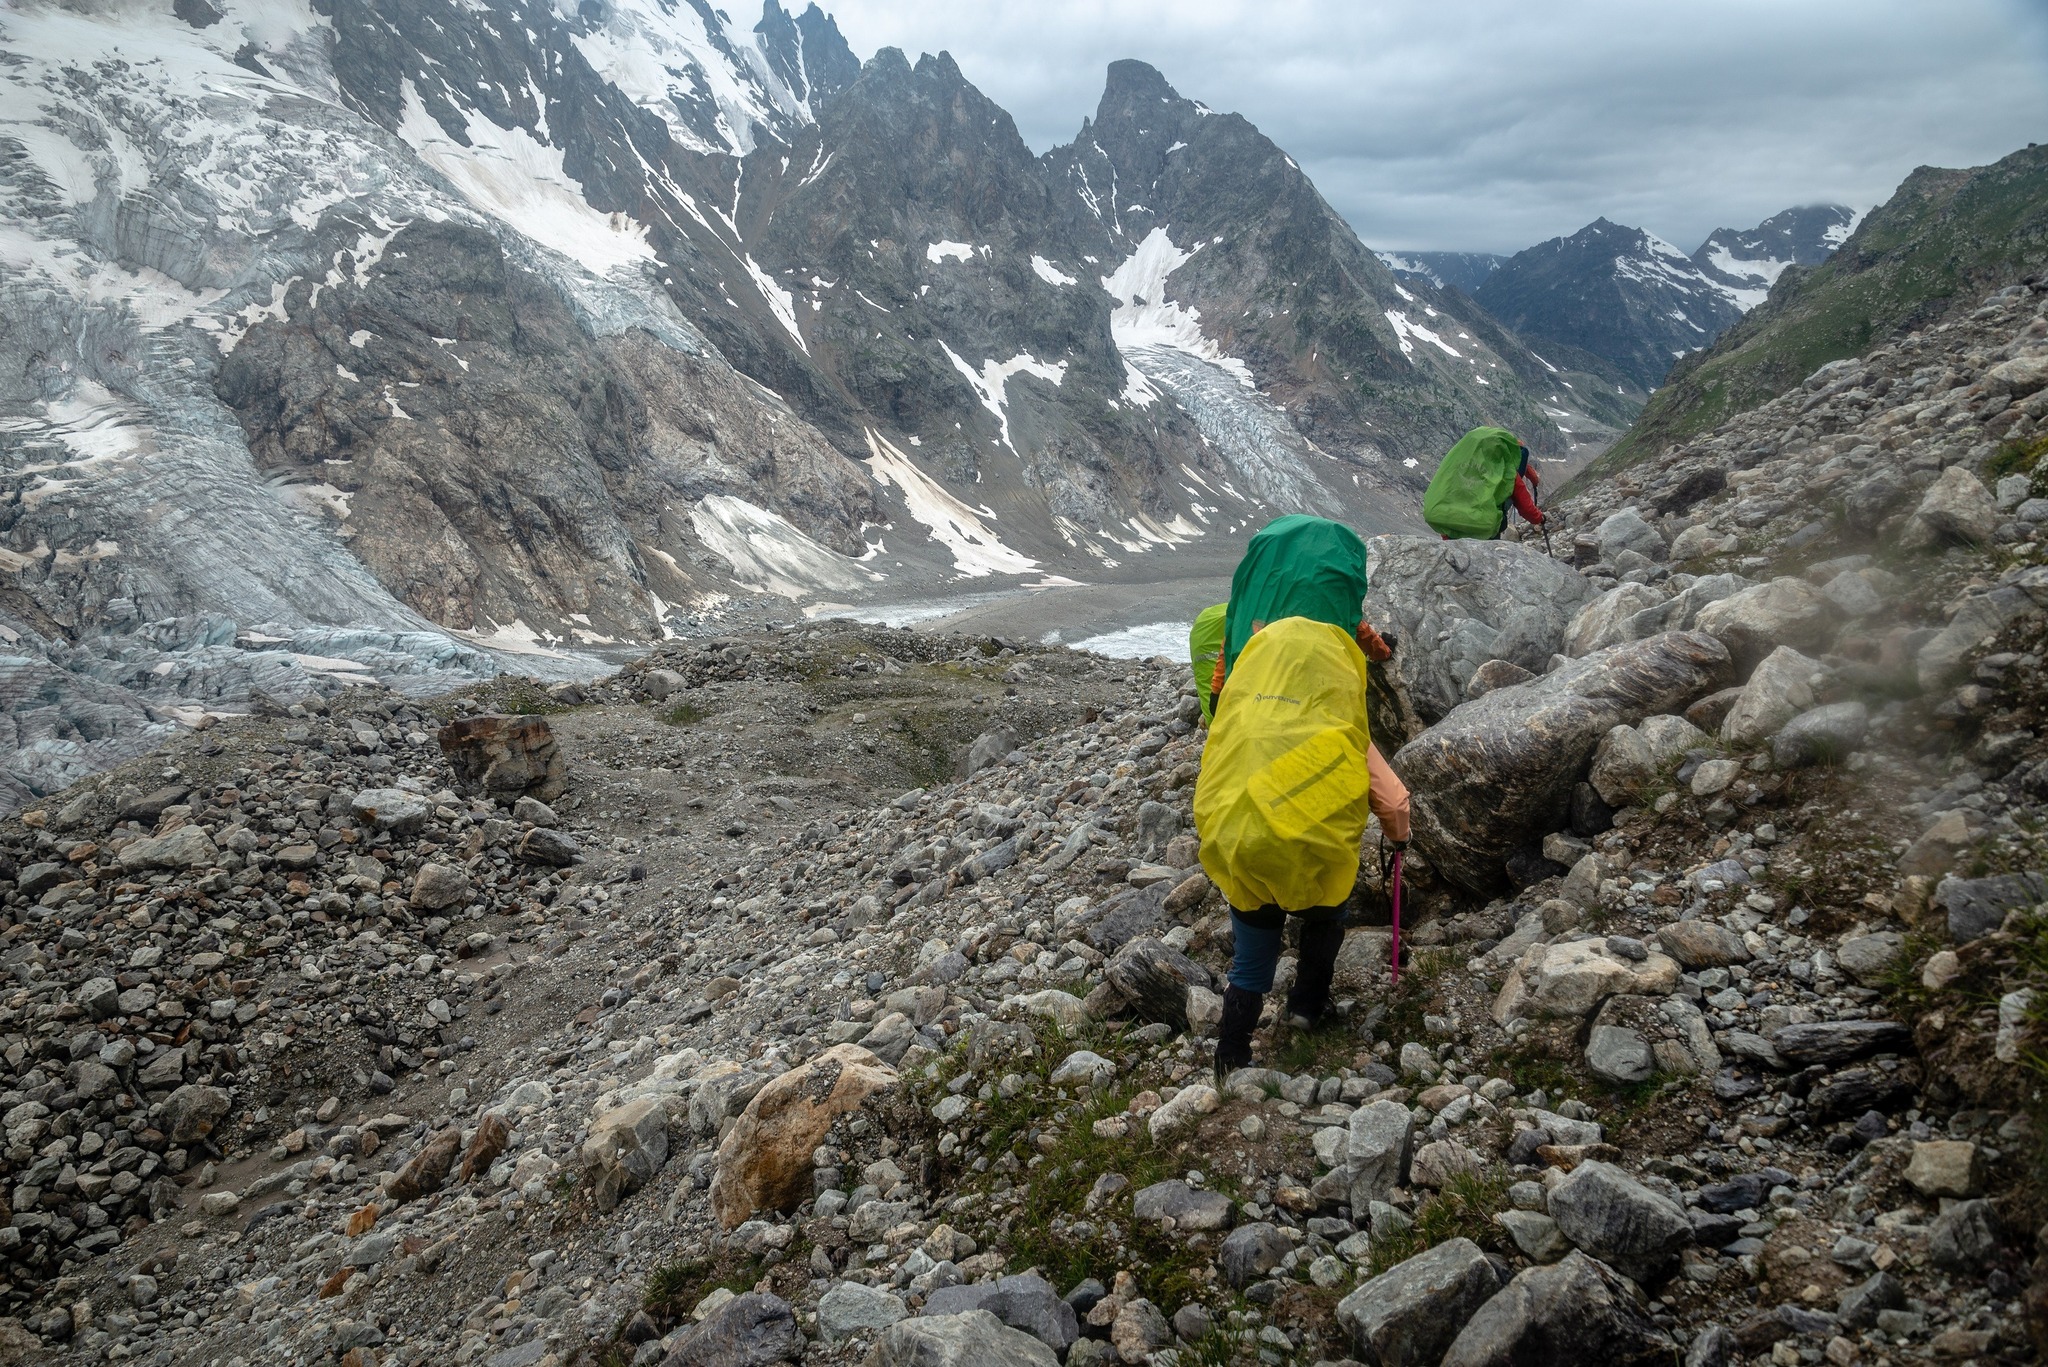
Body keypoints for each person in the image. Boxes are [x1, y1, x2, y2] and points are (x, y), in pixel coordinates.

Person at [1191, 516, 1412, 1080]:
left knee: (1252, 952)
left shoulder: (1249, 654)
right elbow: (1391, 801)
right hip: (1311, 836)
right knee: (1324, 913)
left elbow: (1220, 694)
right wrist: (1399, 839)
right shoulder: (1336, 709)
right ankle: (1307, 1011)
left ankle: (1232, 1051)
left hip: (1241, 830)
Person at [1421, 426, 1545, 540]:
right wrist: (1539, 518)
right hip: (1484, 531)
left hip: (1450, 525)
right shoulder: (1507, 472)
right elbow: (1525, 505)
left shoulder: (1455, 465)